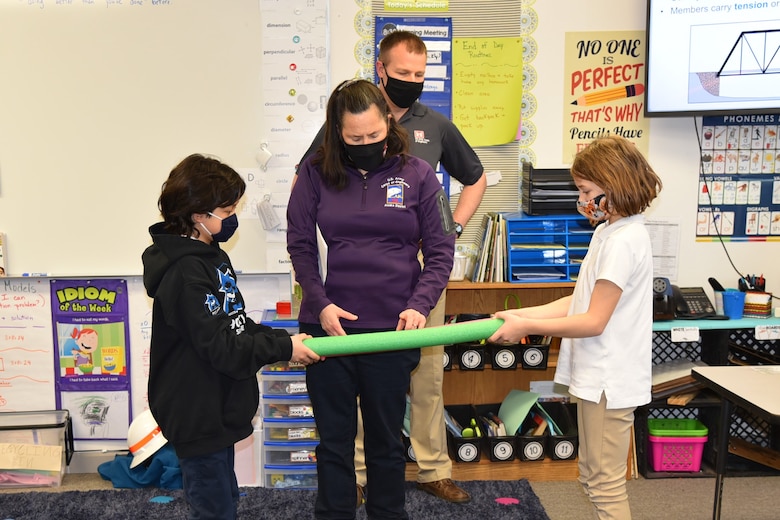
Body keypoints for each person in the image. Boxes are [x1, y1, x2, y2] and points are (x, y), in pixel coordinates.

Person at [294, 30, 485, 505]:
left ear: (387, 125)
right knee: (335, 445)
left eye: (375, 136)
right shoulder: (317, 173)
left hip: (396, 329)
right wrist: (320, 305)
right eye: (354, 138)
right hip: (331, 329)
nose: (365, 143)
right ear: (337, 133)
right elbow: (300, 243)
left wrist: (420, 307)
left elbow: (440, 252)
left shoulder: (417, 174)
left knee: (384, 444)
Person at [488, 135, 663, 520]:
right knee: (592, 477)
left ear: (614, 186)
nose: (581, 199)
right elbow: (579, 302)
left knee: (604, 484)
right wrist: (520, 317)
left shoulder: (623, 241)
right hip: (597, 377)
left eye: (586, 190)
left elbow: (593, 321)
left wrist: (527, 326)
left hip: (608, 381)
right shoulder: (608, 232)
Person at [142, 153, 322, 520]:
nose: (234, 218)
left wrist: (284, 338)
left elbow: (234, 323)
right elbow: (224, 347)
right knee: (213, 505)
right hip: (196, 407)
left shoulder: (211, 256)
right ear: (199, 216)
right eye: (226, 211)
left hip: (217, 401)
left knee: (226, 494)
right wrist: (284, 347)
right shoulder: (185, 275)